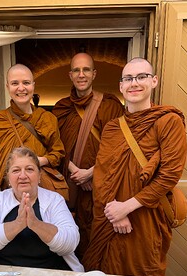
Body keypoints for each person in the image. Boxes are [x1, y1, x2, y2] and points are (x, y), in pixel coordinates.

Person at [83, 57, 187, 276]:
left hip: (145, 219)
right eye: (128, 78)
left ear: (154, 81)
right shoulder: (112, 128)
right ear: (121, 86)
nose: (134, 83)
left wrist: (127, 208)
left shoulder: (168, 122)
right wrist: (114, 212)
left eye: (141, 77)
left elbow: (169, 175)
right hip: (110, 219)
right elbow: (101, 176)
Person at [52, 52, 124, 260]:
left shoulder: (110, 106)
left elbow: (119, 148)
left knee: (96, 242)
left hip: (101, 191)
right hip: (69, 189)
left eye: (86, 70)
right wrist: (75, 171)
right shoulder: (61, 108)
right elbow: (54, 146)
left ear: (94, 74)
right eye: (76, 70)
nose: (81, 74)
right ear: (70, 75)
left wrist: (91, 173)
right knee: (66, 242)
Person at [0, 147, 83, 271]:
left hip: (49, 273)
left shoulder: (54, 200)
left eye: (29, 169)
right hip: (2, 273)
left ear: (39, 175)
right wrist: (18, 224)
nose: (23, 175)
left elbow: (70, 243)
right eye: (16, 170)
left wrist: (36, 224)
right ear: (8, 177)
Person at [0, 64, 65, 198]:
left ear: (33, 85)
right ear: (7, 87)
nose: (21, 88)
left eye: (26, 83)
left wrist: (40, 161)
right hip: (10, 193)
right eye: (15, 83)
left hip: (41, 191)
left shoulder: (47, 118)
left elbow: (58, 153)